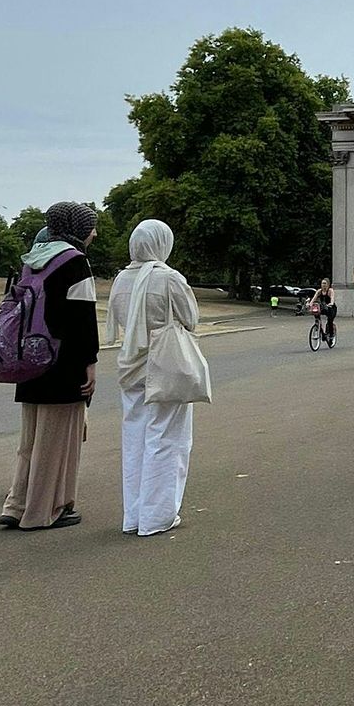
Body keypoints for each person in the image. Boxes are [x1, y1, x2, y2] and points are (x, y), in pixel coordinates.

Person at [0, 202, 99, 531]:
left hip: (30, 359)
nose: (93, 233)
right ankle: (45, 510)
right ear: (76, 229)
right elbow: (84, 320)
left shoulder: (33, 259)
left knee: (29, 441)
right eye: (90, 227)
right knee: (56, 442)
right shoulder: (75, 261)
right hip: (64, 362)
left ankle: (16, 504)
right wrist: (90, 363)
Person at [107, 220, 201, 536]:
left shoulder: (120, 279)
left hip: (130, 365)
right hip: (164, 364)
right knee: (167, 439)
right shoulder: (168, 278)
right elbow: (190, 318)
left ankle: (133, 514)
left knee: (134, 440)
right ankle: (157, 515)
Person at [313, 278, 338, 344]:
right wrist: (310, 304)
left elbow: (332, 298)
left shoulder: (330, 291)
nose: (323, 285)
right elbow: (314, 299)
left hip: (331, 308)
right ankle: (318, 327)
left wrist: (331, 303)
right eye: (322, 283)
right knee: (316, 314)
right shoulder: (319, 291)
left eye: (325, 283)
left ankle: (331, 335)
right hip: (324, 307)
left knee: (330, 321)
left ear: (328, 284)